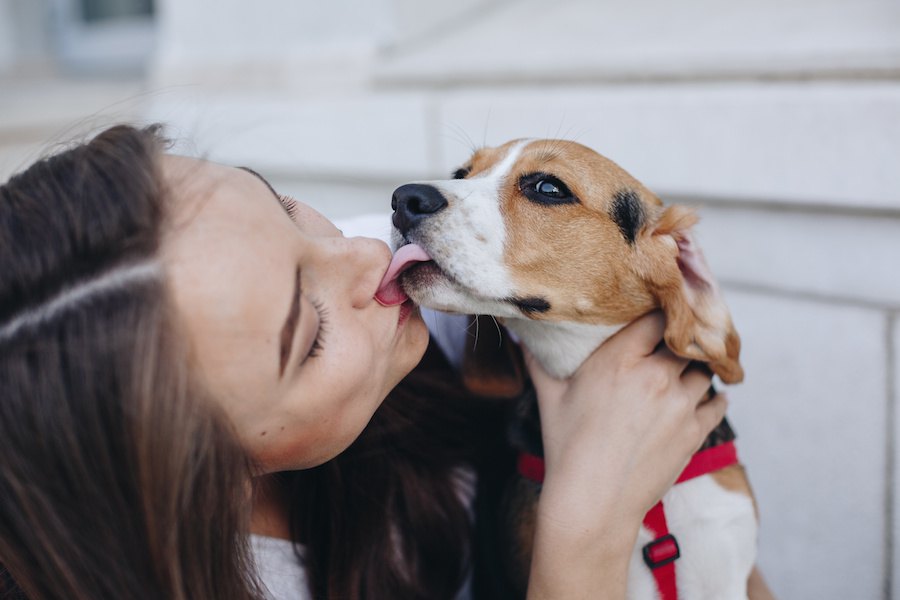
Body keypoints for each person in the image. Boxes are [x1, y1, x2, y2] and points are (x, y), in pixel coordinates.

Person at [0, 124, 729, 599]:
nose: (364, 251)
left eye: (282, 207)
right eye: (309, 331)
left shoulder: (393, 287)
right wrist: (582, 531)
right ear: (191, 471)